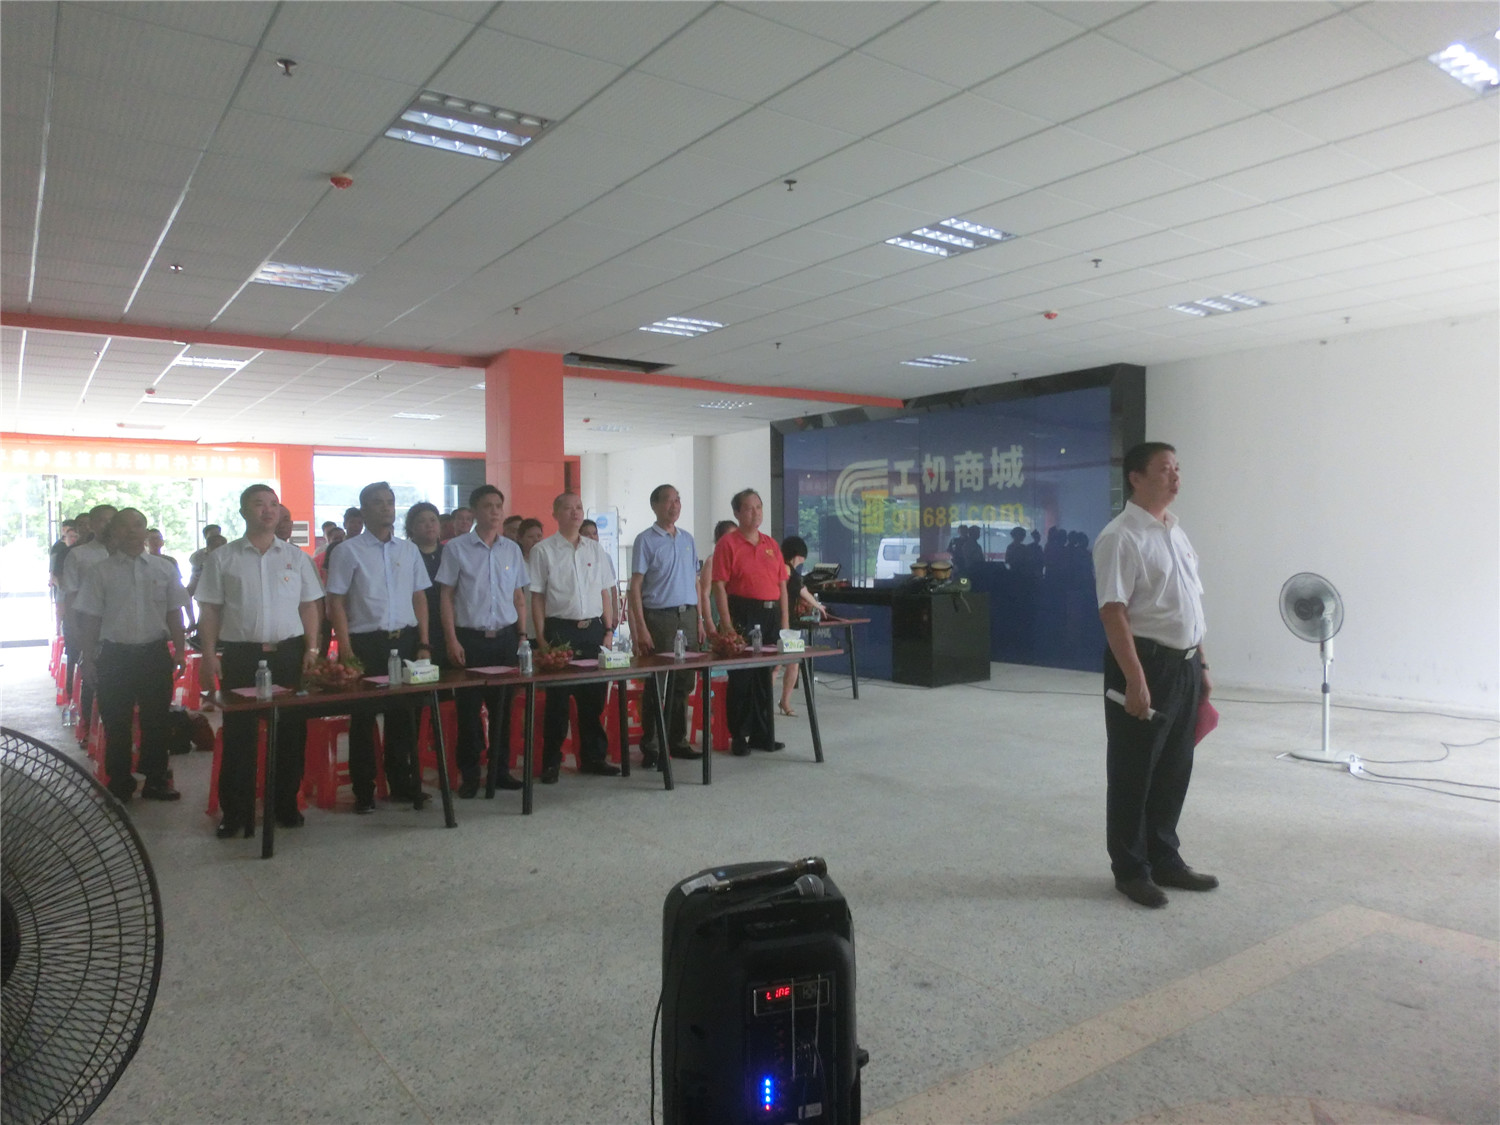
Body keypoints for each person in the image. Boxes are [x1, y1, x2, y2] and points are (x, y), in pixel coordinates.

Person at [1093, 442, 1215, 909]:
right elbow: (1113, 611)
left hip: (1184, 665)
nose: (1176, 476)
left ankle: (1165, 858)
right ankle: (1130, 870)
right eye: (1165, 469)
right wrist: (1135, 680)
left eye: (1178, 468)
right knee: (1134, 771)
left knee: (1173, 768)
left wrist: (1202, 663)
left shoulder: (1175, 532)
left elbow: (1190, 604)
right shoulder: (1120, 537)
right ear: (1136, 478)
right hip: (1145, 665)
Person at [196, 485, 323, 837]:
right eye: (259, 504)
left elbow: (309, 606)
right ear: (243, 512)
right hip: (242, 656)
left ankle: (285, 804)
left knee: (290, 732)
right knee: (240, 734)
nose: (268, 510)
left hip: (289, 655)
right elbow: (210, 610)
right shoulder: (223, 558)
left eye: (273, 504)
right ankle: (236, 812)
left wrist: (312, 650)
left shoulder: (296, 557)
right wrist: (209, 655)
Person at [326, 481, 435, 814]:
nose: (386, 507)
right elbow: (336, 601)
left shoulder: (408, 550)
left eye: (390, 501)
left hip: (405, 640)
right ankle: (364, 790)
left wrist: (424, 642)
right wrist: (345, 647)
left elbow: (419, 596)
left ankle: (403, 784)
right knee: (363, 720)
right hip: (365, 643)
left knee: (404, 717)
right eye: (378, 502)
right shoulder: (348, 550)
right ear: (364, 509)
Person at [74, 508, 187, 802]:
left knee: (157, 720)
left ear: (146, 531)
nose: (132, 531)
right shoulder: (101, 571)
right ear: (114, 532)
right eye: (124, 526)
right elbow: (90, 619)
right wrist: (88, 658)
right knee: (116, 721)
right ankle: (119, 782)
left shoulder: (163, 569)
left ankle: (156, 780)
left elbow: (174, 612)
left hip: (154, 654)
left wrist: (180, 650)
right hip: (114, 657)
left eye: (138, 525)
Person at [437, 485, 528, 796]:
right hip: (470, 640)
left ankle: (500, 771)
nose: (495, 511)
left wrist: (522, 637)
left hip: (505, 640)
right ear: (474, 511)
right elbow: (446, 596)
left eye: (498, 505)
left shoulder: (511, 549)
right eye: (488, 505)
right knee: (469, 712)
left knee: (503, 709)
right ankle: (471, 774)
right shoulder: (456, 548)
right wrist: (451, 639)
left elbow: (518, 596)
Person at [528, 492, 619, 783]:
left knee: (593, 699)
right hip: (559, 630)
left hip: (593, 631)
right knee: (557, 702)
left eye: (578, 507)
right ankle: (551, 762)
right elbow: (537, 597)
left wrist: (608, 629)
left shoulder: (595, 549)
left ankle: (593, 758)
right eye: (568, 508)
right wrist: (541, 638)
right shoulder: (543, 550)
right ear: (555, 514)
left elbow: (605, 592)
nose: (575, 512)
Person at [627, 484, 704, 767]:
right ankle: (652, 746)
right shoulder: (645, 540)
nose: (675, 505)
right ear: (655, 505)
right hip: (659, 618)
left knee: (684, 681)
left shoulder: (687, 539)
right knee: (657, 682)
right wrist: (641, 628)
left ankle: (677, 740)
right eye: (669, 501)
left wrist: (701, 619)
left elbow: (695, 582)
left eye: (678, 500)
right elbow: (635, 587)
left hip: (688, 616)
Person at [711, 489, 788, 756]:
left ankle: (762, 734)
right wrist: (727, 625)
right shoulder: (728, 544)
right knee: (742, 677)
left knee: (764, 676)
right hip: (742, 612)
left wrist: (784, 624)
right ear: (736, 513)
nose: (755, 513)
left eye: (759, 507)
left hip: (770, 614)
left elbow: (782, 586)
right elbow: (719, 586)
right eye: (748, 508)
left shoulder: (771, 544)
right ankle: (739, 736)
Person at [60, 503, 117, 738]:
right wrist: (74, 629)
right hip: (89, 628)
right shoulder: (78, 554)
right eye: (103, 520)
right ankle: (88, 730)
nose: (108, 525)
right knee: (91, 679)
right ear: (92, 525)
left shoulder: (127, 555)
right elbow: (71, 595)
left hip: (120, 630)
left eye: (112, 520)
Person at [776, 535, 825, 718]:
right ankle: (767, 702)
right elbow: (802, 591)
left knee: (793, 663)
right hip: (781, 623)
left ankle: (785, 701)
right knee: (776, 665)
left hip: (791, 623)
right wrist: (818, 605)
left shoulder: (792, 572)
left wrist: (817, 605)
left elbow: (802, 590)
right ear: (798, 555)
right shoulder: (785, 569)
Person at [697, 519, 737, 635]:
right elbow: (704, 594)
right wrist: (709, 622)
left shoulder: (736, 561)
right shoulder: (712, 561)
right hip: (716, 615)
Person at [580, 518, 621, 629]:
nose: (592, 537)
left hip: (607, 609)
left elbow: (612, 587)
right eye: (587, 534)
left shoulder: (605, 556)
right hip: (591, 612)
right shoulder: (577, 558)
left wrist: (615, 612)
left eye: (595, 533)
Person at [48, 519, 78, 630]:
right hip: (63, 587)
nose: (73, 539)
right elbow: (54, 570)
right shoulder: (59, 549)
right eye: (70, 536)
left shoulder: (80, 550)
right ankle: (59, 629)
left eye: (75, 536)